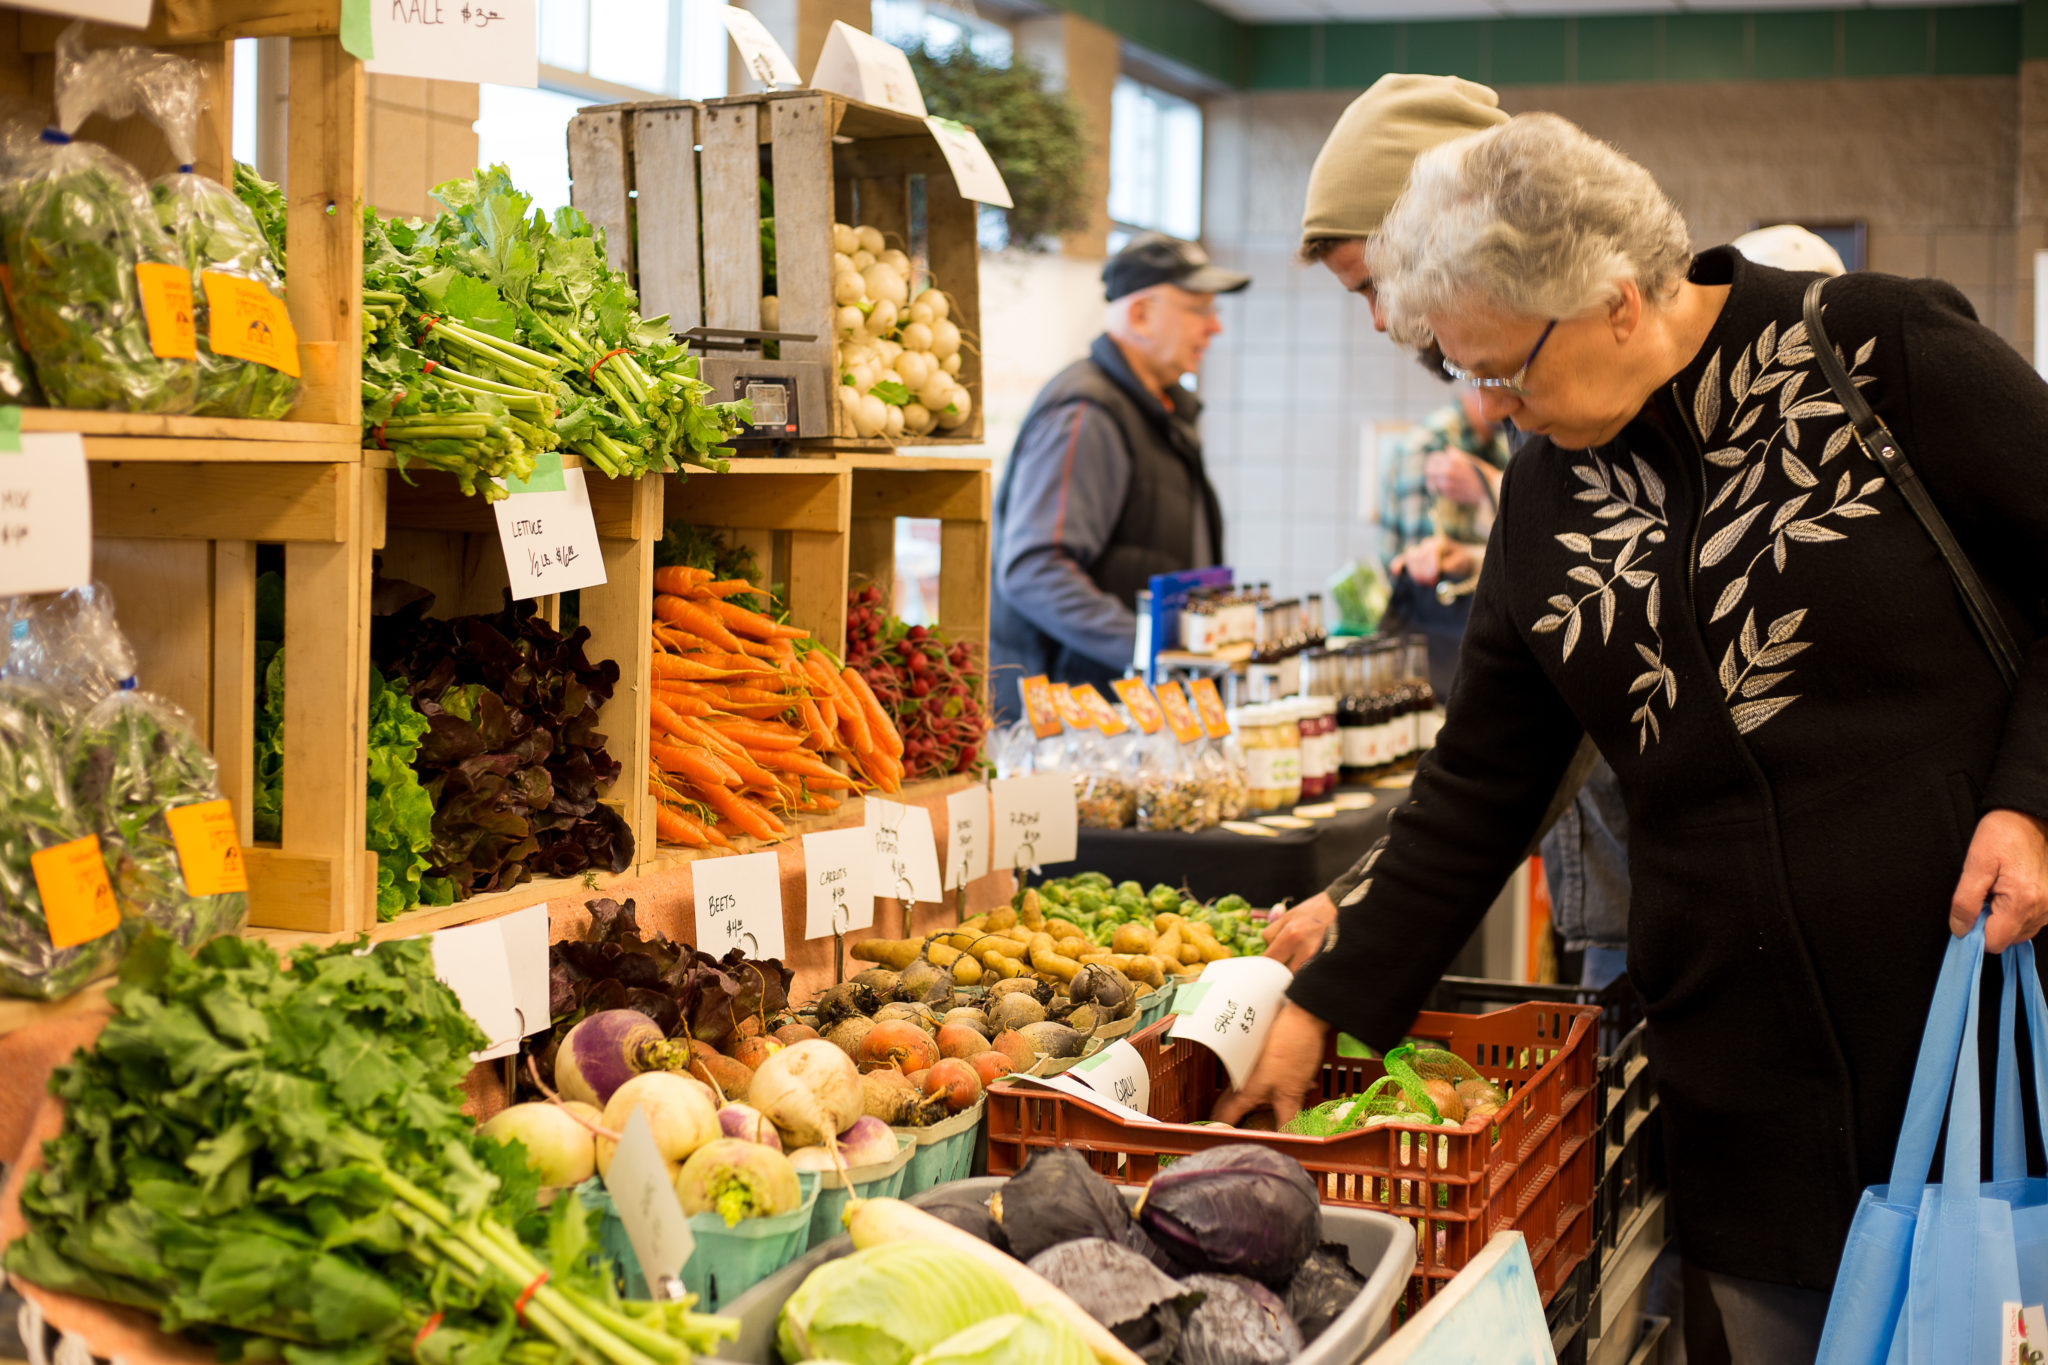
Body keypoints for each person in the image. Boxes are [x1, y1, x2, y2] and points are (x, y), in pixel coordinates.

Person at [1219, 112, 2048, 1362]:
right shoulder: (1545, 499)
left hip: (1972, 1034)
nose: (1493, 410)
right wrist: (1324, 1003)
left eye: (1508, 372)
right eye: (1466, 375)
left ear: (1615, 301)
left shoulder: (1878, 354)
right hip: (1739, 1089)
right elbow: (1481, 783)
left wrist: (2027, 797)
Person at [988, 234, 1247, 722]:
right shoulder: (1087, 414)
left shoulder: (1156, 410)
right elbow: (1033, 570)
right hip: (1072, 723)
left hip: (1124, 711)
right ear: (1140, 315)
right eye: (1197, 309)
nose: (1214, 328)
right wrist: (1150, 648)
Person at [1376, 384, 1510, 588]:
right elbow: (1423, 566)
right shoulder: (1428, 446)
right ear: (1479, 379)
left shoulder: (1499, 450)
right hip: (1433, 612)